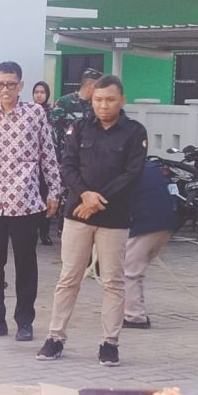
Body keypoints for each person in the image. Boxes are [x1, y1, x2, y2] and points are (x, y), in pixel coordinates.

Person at [37, 75, 147, 366]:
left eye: (110, 99)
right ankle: (55, 338)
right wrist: (85, 195)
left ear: (122, 100)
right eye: (98, 100)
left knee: (113, 282)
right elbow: (68, 166)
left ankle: (110, 343)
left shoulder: (135, 132)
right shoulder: (80, 127)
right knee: (68, 278)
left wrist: (98, 201)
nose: (103, 105)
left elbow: (133, 173)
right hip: (78, 214)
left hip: (114, 217)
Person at [0, 61, 60, 340]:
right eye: (0, 84)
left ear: (20, 85)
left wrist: (54, 191)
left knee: (25, 264)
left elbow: (48, 154)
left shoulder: (35, 114)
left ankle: (24, 322)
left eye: (10, 84)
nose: (5, 90)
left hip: (26, 201)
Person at [123, 160, 177, 329]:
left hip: (146, 225)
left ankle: (134, 316)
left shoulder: (127, 169)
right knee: (135, 270)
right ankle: (133, 311)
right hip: (166, 224)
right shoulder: (149, 167)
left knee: (129, 271)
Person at [50, 67, 101, 155]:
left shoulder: (96, 106)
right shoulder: (63, 103)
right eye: (98, 87)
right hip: (66, 155)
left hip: (88, 156)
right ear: (90, 84)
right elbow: (53, 132)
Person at [32, 80, 55, 246]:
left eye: (42, 92)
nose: (39, 95)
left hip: (47, 162)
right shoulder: (28, 113)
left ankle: (45, 232)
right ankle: (32, 230)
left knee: (46, 196)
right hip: (32, 164)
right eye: (36, 92)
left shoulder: (53, 114)